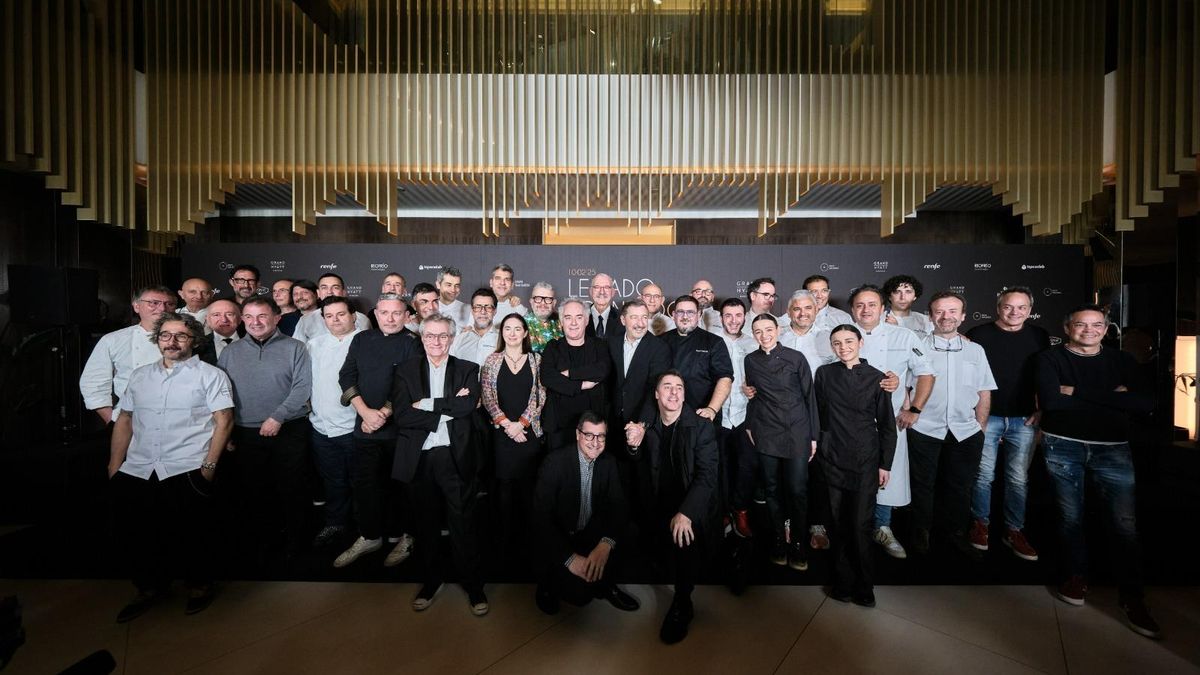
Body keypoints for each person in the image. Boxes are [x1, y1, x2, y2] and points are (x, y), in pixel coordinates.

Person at [1036, 304, 1160, 639]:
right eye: (1080, 324)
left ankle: (1132, 597)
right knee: (1070, 517)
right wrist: (1113, 397)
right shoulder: (1050, 359)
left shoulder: (1122, 361)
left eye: (1096, 325)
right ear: (1067, 328)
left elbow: (1144, 403)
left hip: (1113, 448)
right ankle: (1075, 578)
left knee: (1124, 524)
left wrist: (1074, 390)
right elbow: (1051, 402)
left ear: (1106, 330)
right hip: (1063, 444)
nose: (1088, 330)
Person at [108, 312, 233, 622]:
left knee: (192, 535)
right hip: (139, 468)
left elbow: (224, 421)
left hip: (186, 467)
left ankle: (199, 586)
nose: (172, 341)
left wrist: (208, 467)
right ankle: (148, 588)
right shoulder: (140, 376)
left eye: (180, 336)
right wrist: (115, 464)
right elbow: (125, 419)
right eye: (165, 335)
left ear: (194, 341)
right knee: (141, 535)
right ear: (157, 339)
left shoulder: (210, 375)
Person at [818, 284, 931, 560]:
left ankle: (882, 528)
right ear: (852, 310)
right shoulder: (842, 336)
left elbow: (926, 373)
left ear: (883, 308)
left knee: (886, 478)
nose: (865, 310)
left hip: (889, 421)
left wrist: (915, 408)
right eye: (859, 305)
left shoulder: (903, 336)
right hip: (847, 429)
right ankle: (848, 534)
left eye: (872, 305)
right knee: (850, 493)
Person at [389, 313, 488, 616]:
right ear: (422, 338)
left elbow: (467, 406)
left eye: (443, 335)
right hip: (418, 458)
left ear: (451, 338)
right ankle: (432, 582)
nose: (436, 341)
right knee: (426, 525)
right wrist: (447, 408)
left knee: (463, 524)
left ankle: (473, 585)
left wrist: (426, 404)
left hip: (454, 456)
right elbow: (402, 415)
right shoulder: (405, 370)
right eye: (430, 335)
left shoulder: (468, 369)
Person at [625, 371, 718, 644]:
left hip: (689, 505)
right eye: (667, 387)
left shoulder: (701, 427)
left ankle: (682, 602)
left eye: (679, 387)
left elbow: (708, 475)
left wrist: (686, 512)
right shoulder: (650, 424)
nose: (674, 392)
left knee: (683, 535)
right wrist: (633, 445)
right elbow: (637, 459)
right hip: (657, 503)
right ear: (656, 394)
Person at [218, 296, 313, 562]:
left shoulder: (296, 347)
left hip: (288, 428)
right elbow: (222, 393)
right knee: (255, 491)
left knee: (291, 488)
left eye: (262, 316)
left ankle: (296, 542)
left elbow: (302, 388)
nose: (255, 322)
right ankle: (265, 541)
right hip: (245, 432)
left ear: (276, 318)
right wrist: (226, 431)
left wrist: (277, 417)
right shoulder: (230, 352)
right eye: (249, 317)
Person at [333, 294, 422, 569]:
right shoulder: (362, 339)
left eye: (397, 313)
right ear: (376, 314)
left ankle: (407, 537)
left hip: (400, 431)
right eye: (384, 313)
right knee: (366, 487)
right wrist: (365, 412)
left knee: (403, 487)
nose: (390, 318)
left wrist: (381, 413)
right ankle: (370, 536)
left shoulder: (413, 342)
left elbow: (409, 383)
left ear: (406, 315)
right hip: (365, 429)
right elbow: (346, 376)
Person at [905, 292, 996, 558]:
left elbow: (984, 390)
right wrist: (910, 414)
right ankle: (921, 532)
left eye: (953, 311)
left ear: (963, 316)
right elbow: (906, 386)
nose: (946, 317)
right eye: (940, 311)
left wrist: (980, 427)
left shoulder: (975, 350)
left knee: (960, 486)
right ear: (930, 315)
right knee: (922, 485)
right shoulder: (917, 346)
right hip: (924, 428)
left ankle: (956, 533)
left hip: (965, 431)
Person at [813, 325, 896, 608]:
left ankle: (865, 586)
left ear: (860, 343)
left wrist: (885, 464)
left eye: (849, 341)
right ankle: (843, 582)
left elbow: (887, 426)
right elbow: (817, 414)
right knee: (838, 524)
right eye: (837, 343)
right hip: (832, 458)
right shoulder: (824, 374)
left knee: (860, 524)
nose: (843, 347)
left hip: (864, 461)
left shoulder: (878, 378)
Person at [966, 287, 1050, 561]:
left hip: (1024, 419)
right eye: (1008, 307)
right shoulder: (978, 334)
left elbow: (1045, 377)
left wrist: (1042, 411)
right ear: (998, 307)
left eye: (1021, 307)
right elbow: (966, 374)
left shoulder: (1039, 336)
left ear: (1030, 310)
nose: (1015, 312)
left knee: (1018, 478)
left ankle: (1014, 530)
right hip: (986, 416)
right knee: (983, 476)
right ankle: (981, 524)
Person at [533, 413, 639, 615]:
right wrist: (570, 559)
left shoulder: (608, 462)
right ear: (577, 434)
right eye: (589, 435)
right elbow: (541, 519)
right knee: (580, 596)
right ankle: (547, 586)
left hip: (588, 533)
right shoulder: (554, 462)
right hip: (561, 538)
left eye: (601, 436)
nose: (595, 443)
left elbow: (619, 507)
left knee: (630, 531)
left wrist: (605, 543)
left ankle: (606, 584)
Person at [744, 313, 819, 572]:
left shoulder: (796, 358)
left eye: (768, 330)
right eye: (758, 331)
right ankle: (778, 539)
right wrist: (750, 425)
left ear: (778, 330)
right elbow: (754, 395)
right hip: (766, 430)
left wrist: (813, 436)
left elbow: (810, 397)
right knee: (772, 489)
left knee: (797, 490)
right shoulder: (750, 360)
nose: (764, 335)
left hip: (796, 430)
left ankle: (798, 543)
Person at [480, 313, 546, 569]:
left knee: (529, 489)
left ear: (525, 333)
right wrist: (508, 425)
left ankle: (530, 543)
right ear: (502, 332)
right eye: (508, 328)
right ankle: (504, 544)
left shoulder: (536, 360)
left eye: (518, 329)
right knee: (504, 489)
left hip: (529, 433)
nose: (512, 333)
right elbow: (487, 397)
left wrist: (522, 424)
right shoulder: (492, 360)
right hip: (502, 435)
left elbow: (540, 396)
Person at [305, 297, 365, 548]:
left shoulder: (365, 341)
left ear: (353, 316)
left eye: (341, 314)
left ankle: (365, 530)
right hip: (321, 427)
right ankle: (336, 523)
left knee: (361, 482)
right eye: (329, 316)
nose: (335, 320)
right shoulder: (314, 345)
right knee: (332, 480)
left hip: (355, 427)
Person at [779, 290, 833, 550]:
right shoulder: (778, 336)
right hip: (785, 415)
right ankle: (789, 520)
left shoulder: (828, 337)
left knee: (818, 469)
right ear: (789, 312)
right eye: (797, 309)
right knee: (786, 471)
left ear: (816, 309)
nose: (803, 314)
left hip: (820, 412)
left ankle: (817, 524)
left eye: (808, 308)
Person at [80, 285, 177, 425]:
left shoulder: (188, 339)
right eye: (154, 303)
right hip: (132, 417)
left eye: (169, 304)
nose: (162, 309)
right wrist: (112, 419)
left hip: (178, 416)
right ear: (136, 306)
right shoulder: (113, 340)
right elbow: (93, 382)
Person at [540, 299, 611, 451]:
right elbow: (547, 377)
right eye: (568, 317)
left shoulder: (599, 346)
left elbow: (601, 370)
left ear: (586, 321)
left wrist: (570, 373)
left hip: (592, 427)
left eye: (578, 317)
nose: (573, 323)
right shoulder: (553, 347)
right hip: (559, 427)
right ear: (561, 322)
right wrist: (581, 385)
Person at [716, 298, 758, 539]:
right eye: (728, 315)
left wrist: (755, 389)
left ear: (745, 317)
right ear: (721, 317)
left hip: (745, 416)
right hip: (718, 415)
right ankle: (722, 512)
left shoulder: (753, 343)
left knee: (746, 466)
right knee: (719, 466)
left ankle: (740, 510)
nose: (733, 320)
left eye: (738, 315)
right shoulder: (712, 341)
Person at [661, 295, 733, 426]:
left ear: (699, 315)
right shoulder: (660, 341)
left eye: (690, 312)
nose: (685, 316)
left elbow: (725, 379)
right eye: (680, 312)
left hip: (703, 416)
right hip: (668, 417)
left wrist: (712, 409)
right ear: (673, 315)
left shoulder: (714, 342)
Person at [292, 273, 370, 344]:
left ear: (343, 292)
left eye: (335, 287)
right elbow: (297, 349)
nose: (329, 292)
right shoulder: (305, 320)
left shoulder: (362, 319)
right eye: (324, 288)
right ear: (318, 293)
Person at [449, 288, 499, 366]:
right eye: (478, 307)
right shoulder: (458, 341)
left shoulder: (503, 340)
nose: (483, 312)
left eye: (488, 307)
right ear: (472, 311)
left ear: (495, 311)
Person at [197, 299, 242, 365]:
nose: (224, 320)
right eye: (216, 315)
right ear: (207, 320)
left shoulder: (255, 341)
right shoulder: (198, 346)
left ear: (240, 319)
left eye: (229, 314)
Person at [524, 281, 563, 353]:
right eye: (538, 299)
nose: (543, 303)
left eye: (548, 299)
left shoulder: (562, 322)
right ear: (531, 302)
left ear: (554, 303)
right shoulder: (521, 325)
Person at [587, 272, 622, 340]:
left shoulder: (622, 319)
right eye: (597, 287)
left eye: (606, 287)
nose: (602, 292)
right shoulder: (581, 317)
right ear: (591, 291)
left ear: (613, 292)